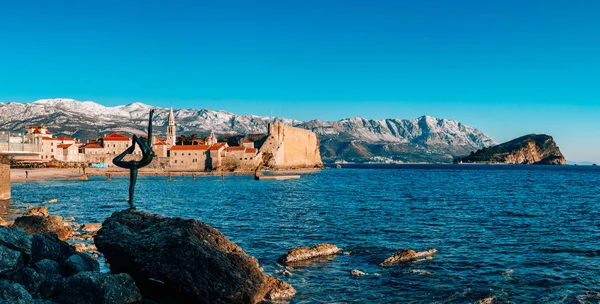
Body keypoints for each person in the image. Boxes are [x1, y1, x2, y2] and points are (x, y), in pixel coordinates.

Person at [113, 109, 156, 209]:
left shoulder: (148, 145)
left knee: (133, 184)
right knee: (132, 184)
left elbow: (150, 131)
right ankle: (131, 202)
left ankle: (131, 201)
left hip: (137, 165)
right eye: (143, 138)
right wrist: (132, 146)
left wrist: (150, 117)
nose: (144, 138)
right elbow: (135, 136)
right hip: (134, 165)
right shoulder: (144, 148)